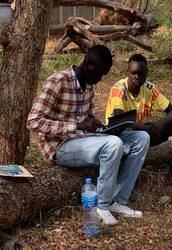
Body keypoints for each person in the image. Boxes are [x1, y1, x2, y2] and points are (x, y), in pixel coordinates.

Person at [27, 45, 150, 226]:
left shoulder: (89, 86)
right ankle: (102, 205)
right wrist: (77, 125)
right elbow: (33, 121)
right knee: (113, 144)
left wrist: (104, 127)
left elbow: (90, 119)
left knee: (141, 138)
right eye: (99, 74)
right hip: (60, 146)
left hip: (84, 140)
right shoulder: (58, 81)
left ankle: (118, 200)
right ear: (88, 65)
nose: (100, 80)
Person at [105, 53, 172, 186]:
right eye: (133, 73)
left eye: (141, 73)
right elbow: (120, 123)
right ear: (128, 72)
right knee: (141, 134)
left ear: (146, 73)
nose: (136, 77)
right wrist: (148, 129)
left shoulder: (149, 88)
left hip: (141, 131)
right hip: (119, 135)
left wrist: (161, 124)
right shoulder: (119, 89)